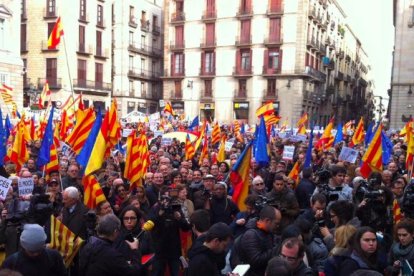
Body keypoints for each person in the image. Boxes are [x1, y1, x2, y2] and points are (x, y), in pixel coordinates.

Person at [1, 224, 67, 275]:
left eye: (38, 250)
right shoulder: (11, 263)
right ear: (23, 246)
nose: (36, 254)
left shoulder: (54, 257)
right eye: (31, 252)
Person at [236, 206, 281, 276]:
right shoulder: (251, 235)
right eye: (276, 223)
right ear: (267, 221)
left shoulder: (268, 232)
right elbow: (256, 260)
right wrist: (278, 249)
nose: (278, 226)